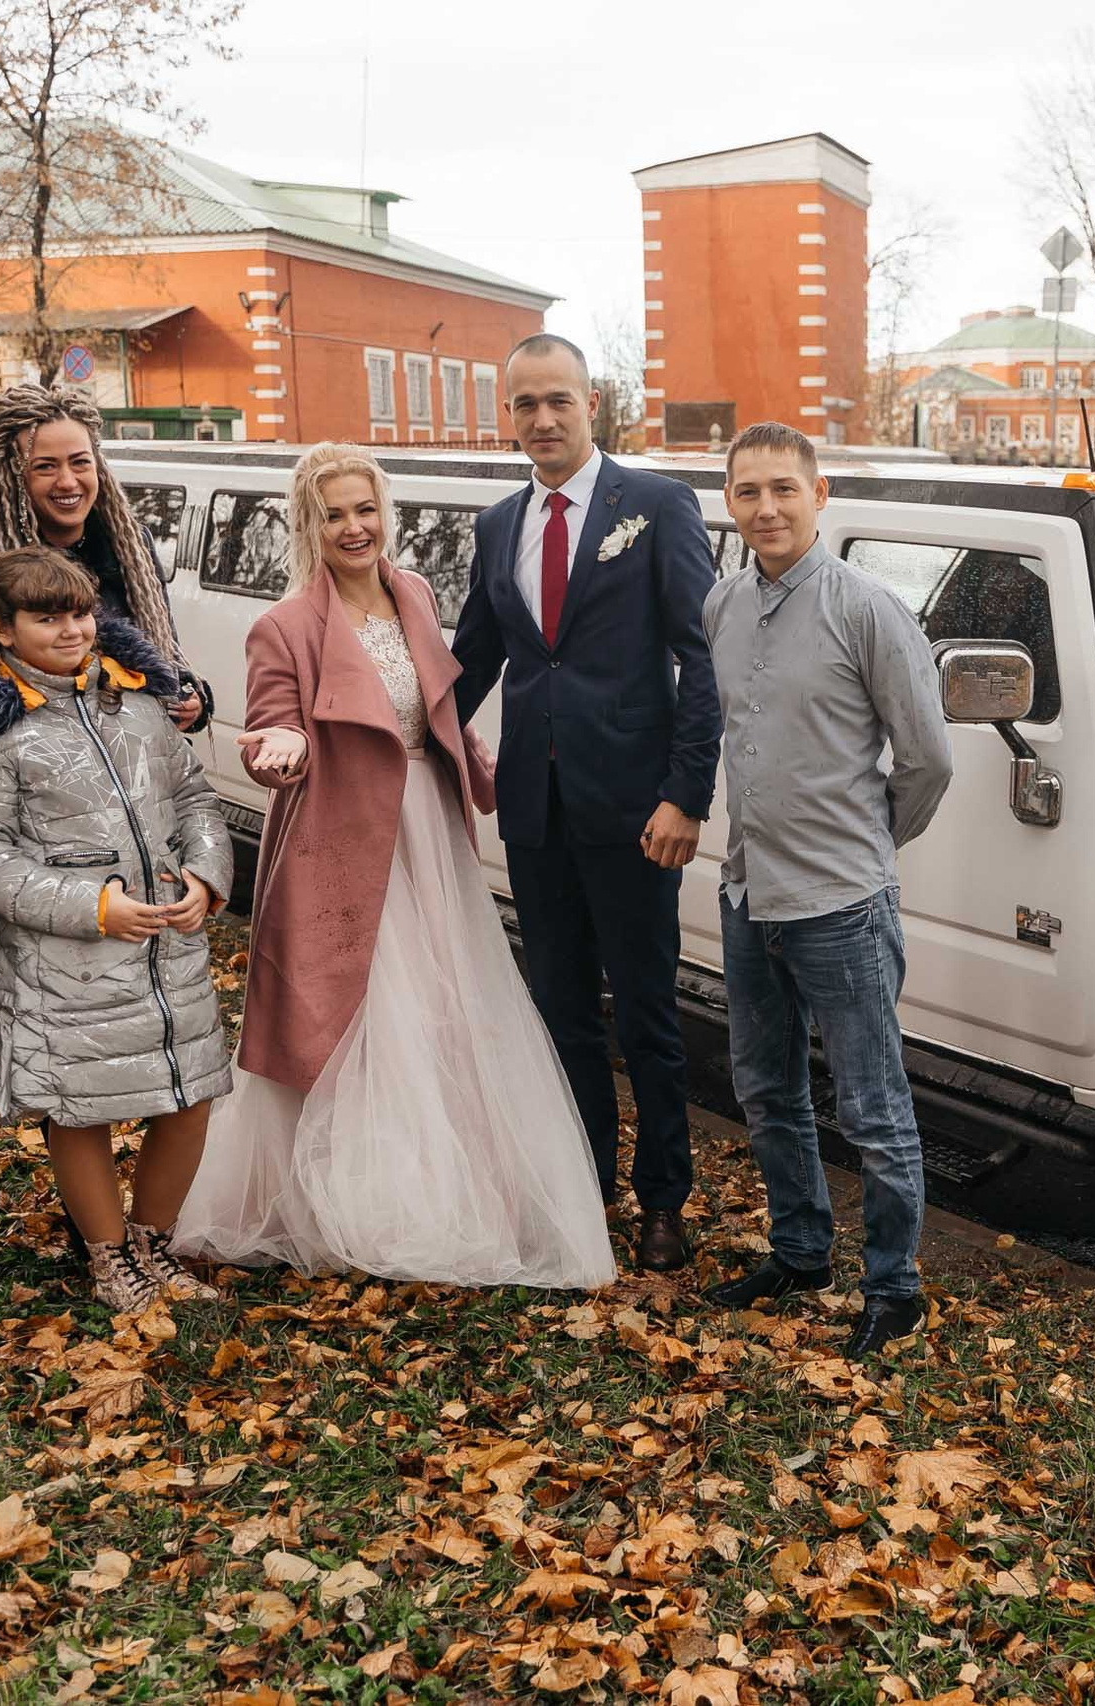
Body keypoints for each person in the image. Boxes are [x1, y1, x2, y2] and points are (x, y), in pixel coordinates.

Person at [174, 444, 613, 1290]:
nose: (353, 527)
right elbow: (271, 722)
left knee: (446, 1006)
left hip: (429, 834)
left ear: (386, 512)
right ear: (310, 523)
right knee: (357, 1014)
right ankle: (358, 1205)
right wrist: (282, 746)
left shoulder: (413, 592)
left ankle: (451, 1193)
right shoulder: (286, 626)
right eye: (333, 513)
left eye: (364, 509)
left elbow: (434, 703)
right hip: (341, 840)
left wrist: (469, 750)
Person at [450, 334, 721, 1271]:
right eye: (524, 405)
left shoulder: (654, 505)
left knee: (647, 1014)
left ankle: (662, 1204)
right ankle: (581, 1189)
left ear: (591, 402)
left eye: (557, 400)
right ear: (509, 416)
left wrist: (687, 794)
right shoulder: (496, 527)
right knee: (561, 1011)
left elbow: (702, 653)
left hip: (638, 813)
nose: (542, 420)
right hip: (536, 812)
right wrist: (382, 735)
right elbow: (472, 663)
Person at [699, 423, 953, 1361]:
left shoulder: (870, 611)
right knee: (766, 1091)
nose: (765, 508)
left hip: (843, 905)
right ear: (729, 502)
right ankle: (800, 1254)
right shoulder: (722, 605)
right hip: (748, 893)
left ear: (820, 494)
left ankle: (894, 1288)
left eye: (783, 490)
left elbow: (927, 759)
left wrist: (866, 846)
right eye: (746, 492)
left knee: (874, 1109)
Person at [0, 546, 232, 1313]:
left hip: (168, 944)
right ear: (1, 627)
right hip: (66, 959)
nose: (71, 630)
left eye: (81, 613)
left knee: (189, 1092)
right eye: (47, 616)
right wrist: (90, 907)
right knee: (80, 1104)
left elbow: (194, 796)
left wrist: (205, 875)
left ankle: (152, 1244)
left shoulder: (134, 704)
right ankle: (107, 1257)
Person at [0, 384, 206, 766]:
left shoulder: (131, 549)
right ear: (15, 475)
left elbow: (165, 652)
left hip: (137, 768)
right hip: (40, 778)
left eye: (80, 462)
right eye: (45, 466)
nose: (68, 481)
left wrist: (192, 698)